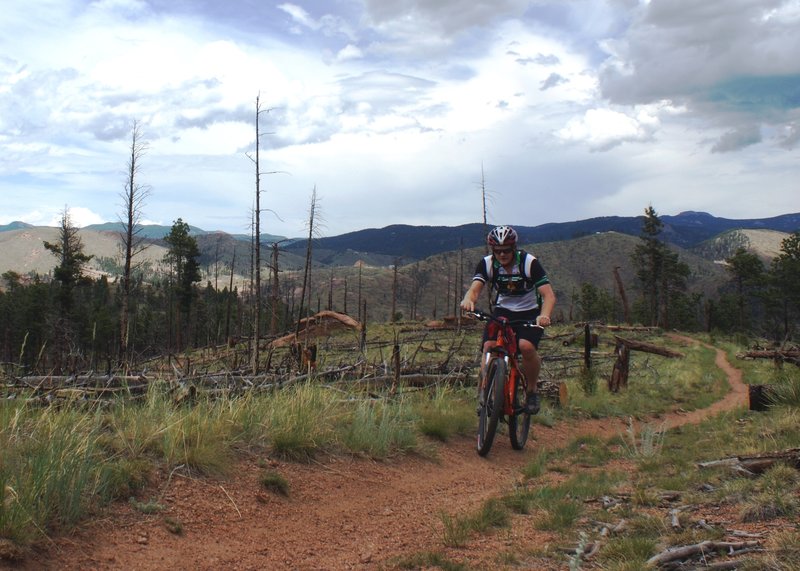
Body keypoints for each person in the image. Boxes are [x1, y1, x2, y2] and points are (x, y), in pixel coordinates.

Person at [460, 225, 556, 414]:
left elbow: (549, 296)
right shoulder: (487, 264)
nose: (502, 255)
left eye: (506, 250)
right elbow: (475, 288)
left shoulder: (529, 263)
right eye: (497, 251)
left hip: (530, 311)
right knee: (488, 346)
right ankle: (485, 393)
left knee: (526, 347)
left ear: (513, 248)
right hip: (503, 310)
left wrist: (544, 315)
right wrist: (468, 299)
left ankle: (531, 390)